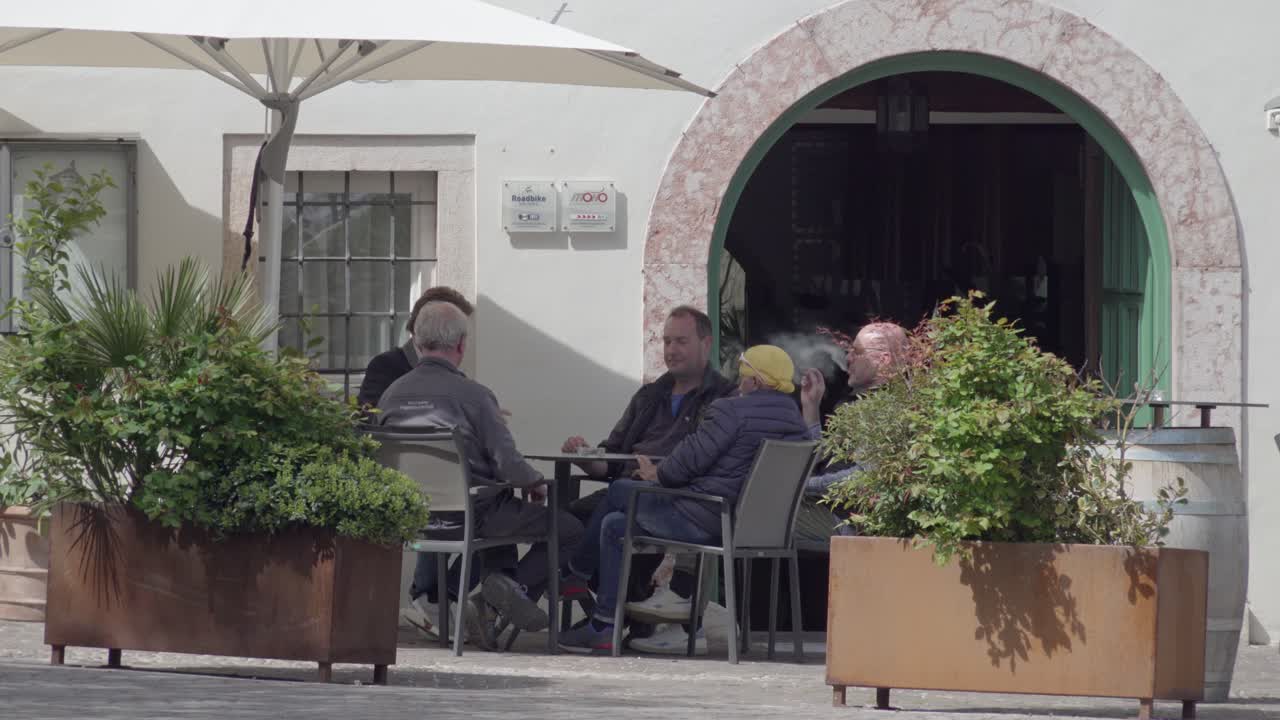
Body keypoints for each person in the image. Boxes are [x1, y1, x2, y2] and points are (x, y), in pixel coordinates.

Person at [557, 345, 815, 654]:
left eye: (743, 376)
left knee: (620, 490)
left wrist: (657, 473)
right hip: (749, 528)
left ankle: (576, 574)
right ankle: (603, 625)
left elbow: (688, 461)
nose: (739, 383)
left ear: (756, 382)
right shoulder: (798, 425)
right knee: (614, 524)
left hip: (705, 517)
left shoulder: (730, 410)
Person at [378, 301, 584, 648]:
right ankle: (498, 594)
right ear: (461, 344)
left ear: (417, 343)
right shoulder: (474, 396)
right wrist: (534, 482)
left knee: (497, 510)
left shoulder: (390, 396)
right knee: (569, 529)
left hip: (411, 516)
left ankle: (492, 592)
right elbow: (509, 464)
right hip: (473, 516)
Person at [559, 306, 734, 626]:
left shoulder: (722, 399)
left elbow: (711, 460)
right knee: (566, 518)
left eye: (681, 341)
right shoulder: (649, 395)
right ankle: (531, 594)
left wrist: (662, 473)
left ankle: (581, 588)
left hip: (679, 498)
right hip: (625, 489)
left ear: (706, 344)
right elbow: (612, 457)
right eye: (666, 341)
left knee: (618, 508)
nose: (671, 350)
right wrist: (586, 458)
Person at [357, 286, 492, 641]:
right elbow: (369, 422)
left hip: (438, 486)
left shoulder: (456, 382)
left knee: (479, 506)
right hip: (399, 481)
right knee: (462, 496)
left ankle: (440, 599)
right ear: (417, 329)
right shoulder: (387, 369)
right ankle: (433, 597)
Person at [793, 322, 910, 547]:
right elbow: (822, 458)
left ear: (883, 360)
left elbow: (863, 477)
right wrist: (811, 407)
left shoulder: (883, 408)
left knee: (754, 515)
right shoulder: (860, 402)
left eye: (857, 352)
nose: (848, 358)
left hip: (851, 522)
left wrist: (803, 485)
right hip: (835, 510)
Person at [357, 285, 474, 414]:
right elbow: (368, 419)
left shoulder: (459, 379)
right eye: (454, 329)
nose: (460, 341)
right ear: (422, 323)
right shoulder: (385, 366)